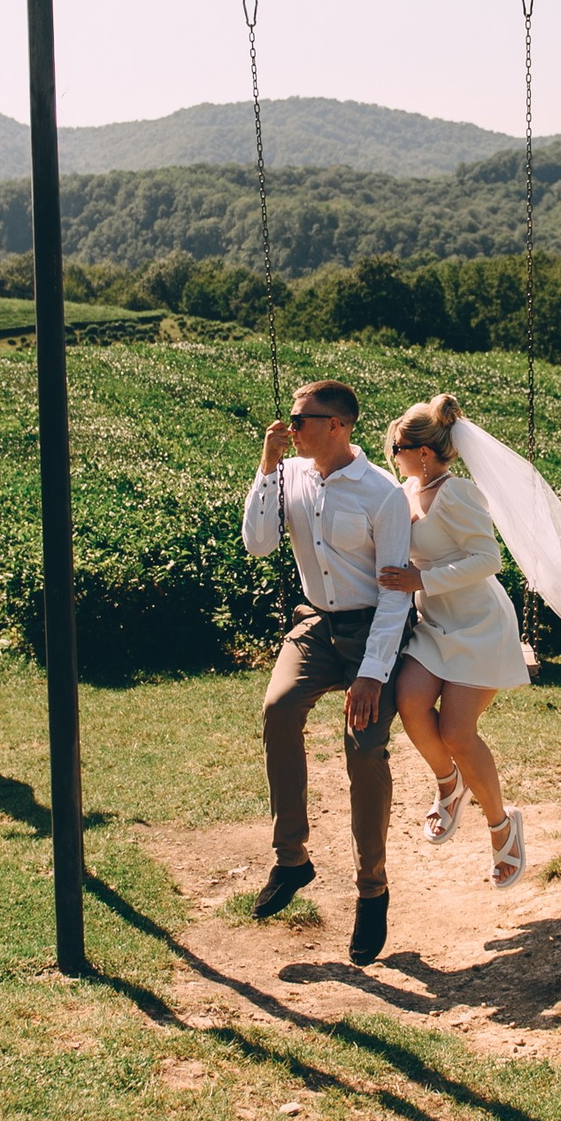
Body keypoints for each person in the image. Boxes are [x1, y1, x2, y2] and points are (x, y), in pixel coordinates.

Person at [240, 379, 412, 966]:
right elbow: (258, 543)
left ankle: (373, 889)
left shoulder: (381, 494)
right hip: (314, 623)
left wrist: (371, 673)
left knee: (364, 750)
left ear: (336, 424)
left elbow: (395, 595)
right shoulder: (289, 475)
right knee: (278, 709)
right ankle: (293, 859)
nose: (290, 427)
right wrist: (266, 468)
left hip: (372, 631)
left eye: (301, 419)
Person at [376, 395, 536, 888]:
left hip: (479, 627)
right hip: (433, 625)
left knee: (458, 734)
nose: (392, 452)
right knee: (410, 701)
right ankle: (450, 783)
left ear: (424, 451)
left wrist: (421, 580)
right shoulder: (406, 490)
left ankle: (501, 827)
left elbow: (488, 560)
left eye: (397, 445)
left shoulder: (458, 493)